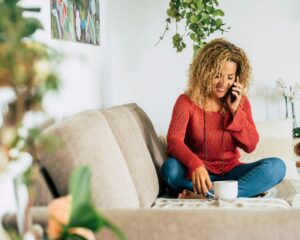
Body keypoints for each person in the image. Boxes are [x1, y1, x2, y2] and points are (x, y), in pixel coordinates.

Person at [161, 38, 286, 199]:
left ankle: (208, 195)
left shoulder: (240, 102)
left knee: (277, 167)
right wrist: (195, 164)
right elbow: (174, 141)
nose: (223, 83)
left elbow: (251, 145)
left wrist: (234, 110)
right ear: (205, 73)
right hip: (198, 175)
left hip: (232, 174)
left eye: (230, 77)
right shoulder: (186, 101)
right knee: (169, 169)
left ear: (237, 78)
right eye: (217, 76)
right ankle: (238, 192)